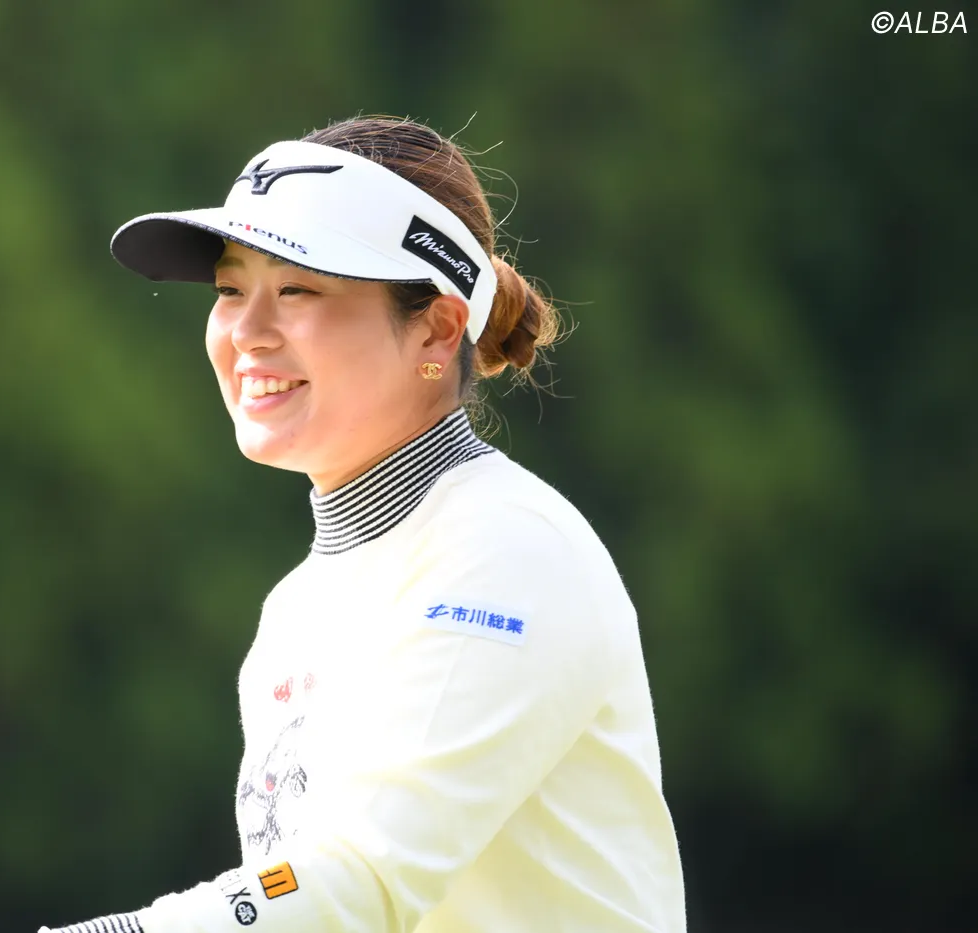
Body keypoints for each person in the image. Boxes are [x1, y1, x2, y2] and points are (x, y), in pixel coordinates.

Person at [39, 116, 687, 933]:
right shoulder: (293, 609)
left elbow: (361, 876)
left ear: (436, 329)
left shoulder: (508, 548)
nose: (246, 333)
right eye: (231, 290)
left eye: (297, 290)